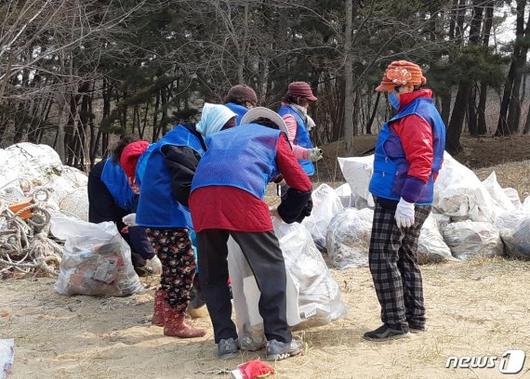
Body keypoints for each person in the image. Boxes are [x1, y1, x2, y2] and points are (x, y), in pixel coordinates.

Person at [189, 107, 313, 360]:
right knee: (270, 268)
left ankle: (225, 339)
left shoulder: (222, 137)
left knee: (213, 273)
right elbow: (302, 184)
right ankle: (278, 339)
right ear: (276, 128)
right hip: (240, 197)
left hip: (200, 198)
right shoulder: (274, 137)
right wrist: (286, 214)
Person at [123, 103, 237, 338]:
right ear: (214, 127)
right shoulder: (183, 146)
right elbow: (185, 187)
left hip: (156, 214)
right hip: (165, 216)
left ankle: (161, 313)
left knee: (172, 266)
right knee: (184, 268)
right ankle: (175, 322)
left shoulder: (181, 138)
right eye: (225, 131)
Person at [364, 60, 446, 341]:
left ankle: (395, 323)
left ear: (408, 85)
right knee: (403, 257)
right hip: (412, 197)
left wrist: (406, 201)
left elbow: (421, 162)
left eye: (392, 89)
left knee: (381, 258)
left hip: (399, 199)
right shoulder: (422, 110)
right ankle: (415, 317)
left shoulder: (413, 117)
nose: (389, 94)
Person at [87, 137, 155, 276]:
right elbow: (137, 224)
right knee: (106, 228)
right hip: (102, 184)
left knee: (134, 234)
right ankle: (107, 265)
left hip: (129, 195)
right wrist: (152, 256)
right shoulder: (108, 171)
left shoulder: (151, 173)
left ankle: (134, 262)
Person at [278, 81, 323, 176]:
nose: (308, 104)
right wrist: (307, 153)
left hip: (297, 168)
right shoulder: (290, 117)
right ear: (299, 99)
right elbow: (285, 147)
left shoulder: (292, 113)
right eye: (307, 100)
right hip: (294, 170)